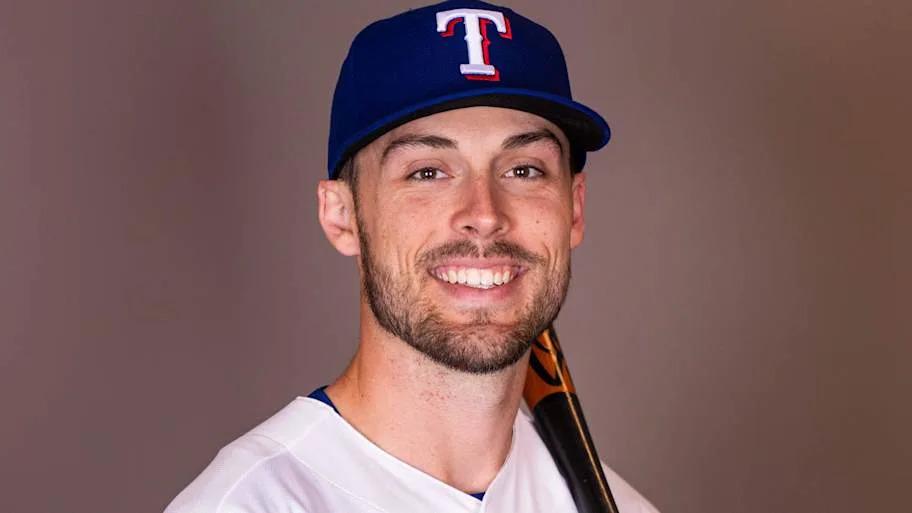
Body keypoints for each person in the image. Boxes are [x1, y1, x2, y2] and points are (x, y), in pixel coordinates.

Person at [165, 1, 659, 511]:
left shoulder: (614, 503)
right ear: (342, 216)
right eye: (427, 172)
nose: (484, 215)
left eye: (524, 170)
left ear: (574, 209)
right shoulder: (253, 502)